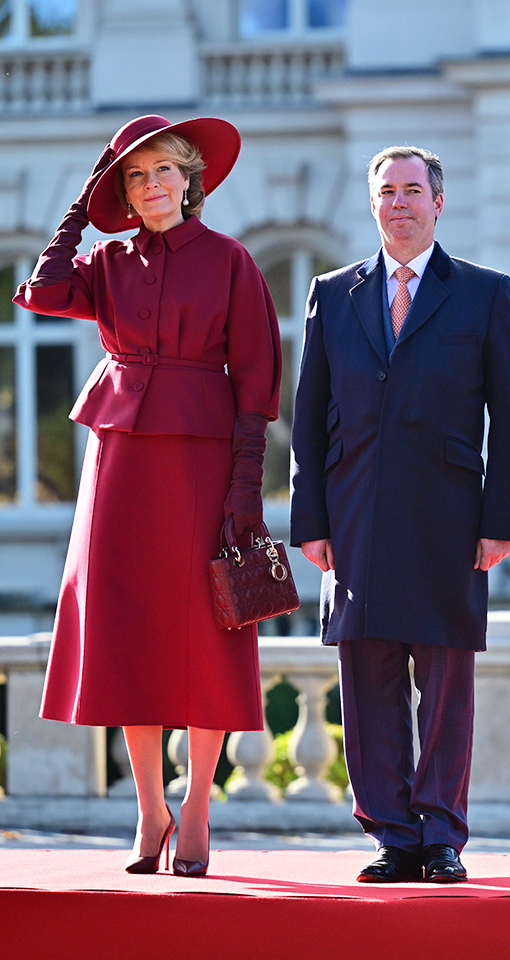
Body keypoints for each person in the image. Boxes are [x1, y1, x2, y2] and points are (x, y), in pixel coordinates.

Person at [16, 115, 278, 879]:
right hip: (119, 461)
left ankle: (196, 806)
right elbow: (42, 290)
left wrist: (245, 490)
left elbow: (257, 384)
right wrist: (84, 197)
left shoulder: (231, 261)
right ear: (123, 193)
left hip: (201, 462)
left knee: (204, 630)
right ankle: (148, 808)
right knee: (127, 627)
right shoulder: (106, 263)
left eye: (165, 169)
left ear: (190, 180)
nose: (152, 184)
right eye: (135, 175)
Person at [290, 145, 510, 884]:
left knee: (446, 684)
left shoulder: (484, 293)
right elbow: (307, 418)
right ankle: (392, 837)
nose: (400, 202)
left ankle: (442, 835)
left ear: (438, 202)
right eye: (387, 191)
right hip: (355, 515)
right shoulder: (333, 294)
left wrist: (501, 521)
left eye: (412, 190)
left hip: (449, 517)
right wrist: (310, 520)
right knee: (367, 682)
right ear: (372, 204)